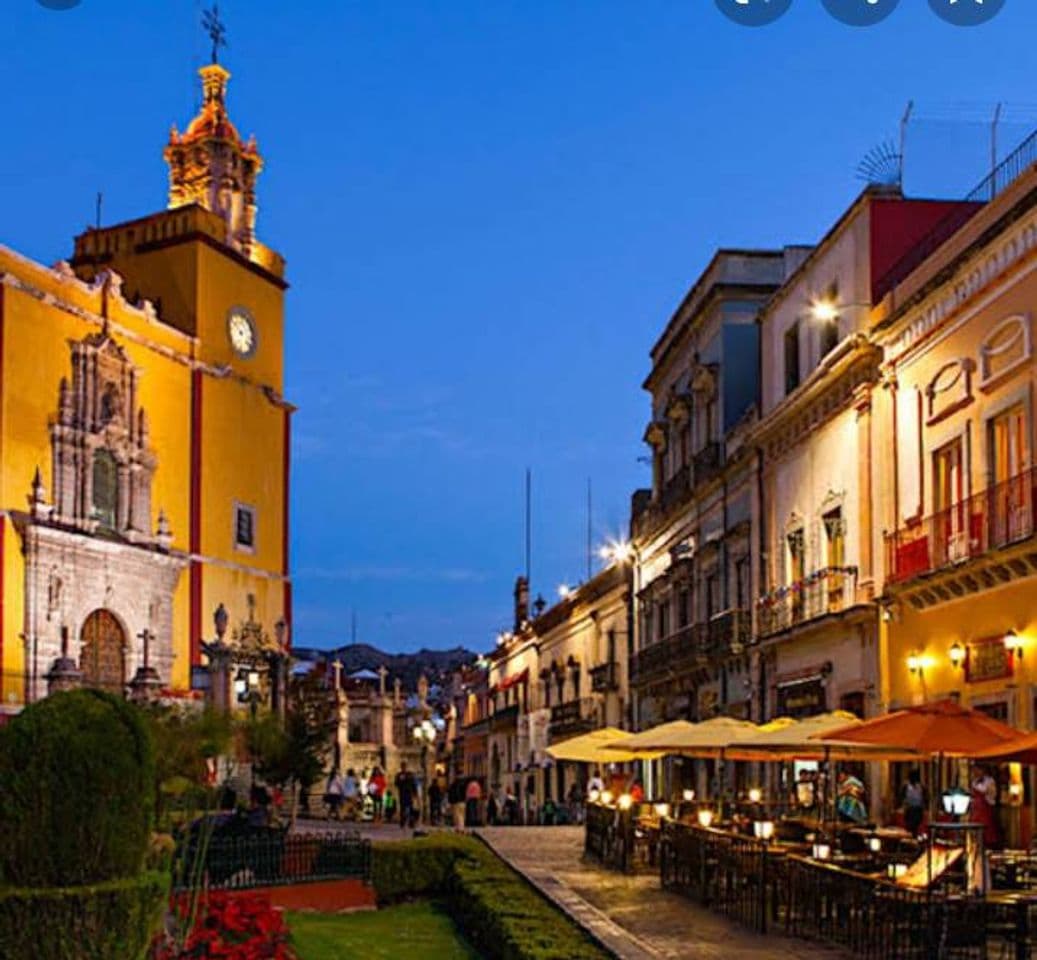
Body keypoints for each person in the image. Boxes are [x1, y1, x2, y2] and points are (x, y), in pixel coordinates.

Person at [971, 764, 1000, 849]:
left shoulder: (989, 781)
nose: (975, 772)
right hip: (976, 810)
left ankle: (989, 846)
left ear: (982, 770)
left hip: (986, 809)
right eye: (974, 770)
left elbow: (986, 791)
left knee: (987, 830)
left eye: (977, 770)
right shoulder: (975, 781)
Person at [901, 769, 927, 837]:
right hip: (910, 809)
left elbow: (925, 797)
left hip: (918, 810)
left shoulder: (921, 787)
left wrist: (925, 808)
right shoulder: (906, 787)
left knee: (917, 826)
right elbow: (901, 796)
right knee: (909, 827)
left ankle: (915, 837)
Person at [395, 763, 418, 829]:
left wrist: (415, 793)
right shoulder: (399, 775)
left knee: (411, 809)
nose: (404, 768)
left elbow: (414, 784)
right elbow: (396, 783)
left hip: (409, 794)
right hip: (402, 794)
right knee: (403, 809)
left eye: (405, 767)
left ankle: (411, 823)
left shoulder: (410, 774)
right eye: (403, 767)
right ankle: (402, 822)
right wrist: (400, 780)